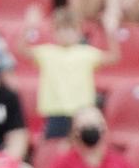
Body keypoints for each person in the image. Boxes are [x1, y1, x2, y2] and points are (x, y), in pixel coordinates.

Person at [27, 8, 113, 140]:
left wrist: (110, 30)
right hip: (55, 112)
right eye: (61, 29)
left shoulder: (87, 53)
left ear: (79, 32)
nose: (66, 33)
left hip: (82, 112)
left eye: (71, 29)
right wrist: (29, 26)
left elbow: (113, 57)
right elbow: (20, 50)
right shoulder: (47, 52)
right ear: (53, 32)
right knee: (54, 148)